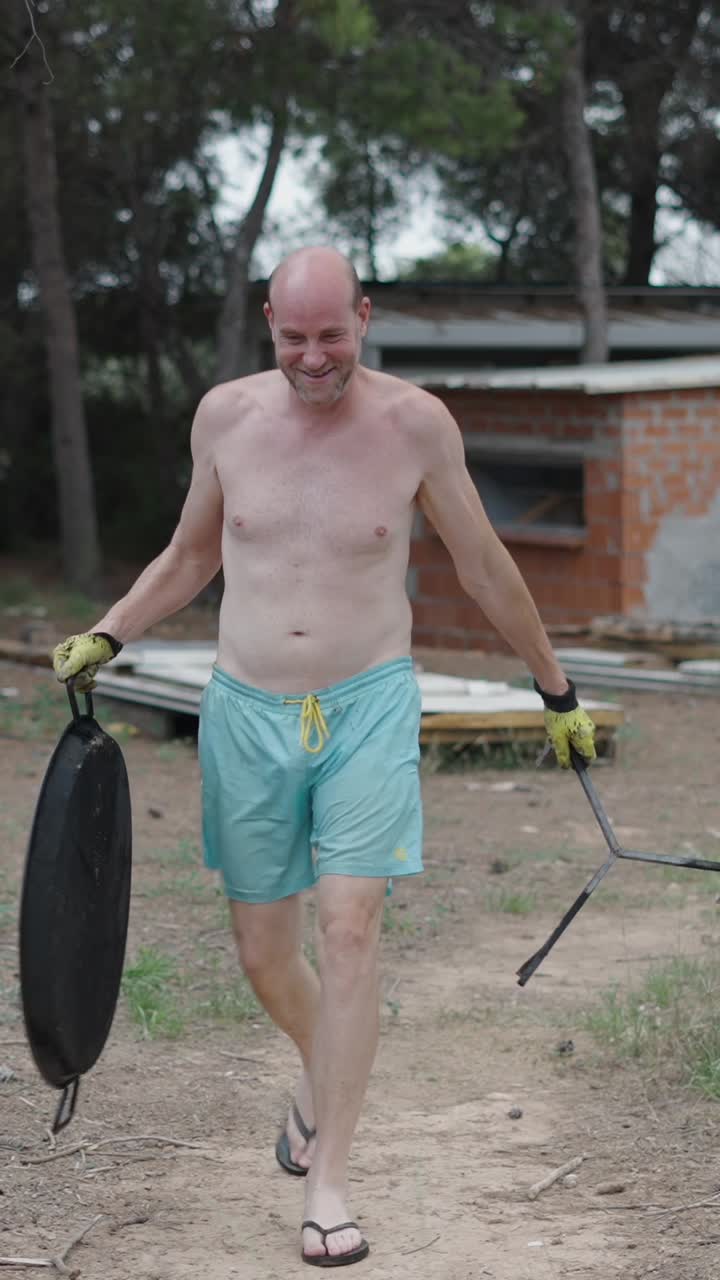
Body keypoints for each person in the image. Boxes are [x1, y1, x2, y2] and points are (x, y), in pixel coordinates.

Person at [53, 245, 596, 1267]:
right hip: (247, 710)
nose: (313, 357)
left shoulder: (416, 425)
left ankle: (331, 1178)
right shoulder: (225, 417)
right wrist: (112, 630)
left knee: (349, 925)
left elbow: (483, 565)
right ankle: (322, 1066)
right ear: (269, 322)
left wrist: (553, 685)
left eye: (331, 336)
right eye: (294, 337)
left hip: (367, 706)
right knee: (265, 952)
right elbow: (193, 552)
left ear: (365, 316)